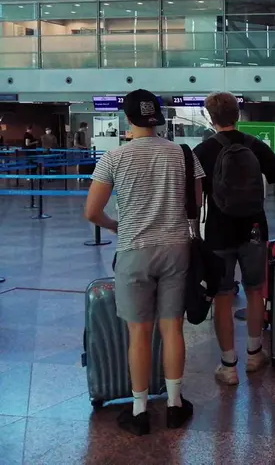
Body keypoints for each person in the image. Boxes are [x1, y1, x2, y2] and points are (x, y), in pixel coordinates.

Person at [84, 89, 202, 436]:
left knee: (139, 332)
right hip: (177, 247)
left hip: (134, 248)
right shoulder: (183, 154)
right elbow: (194, 204)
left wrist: (116, 224)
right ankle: (175, 404)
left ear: (128, 118)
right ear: (159, 119)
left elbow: (91, 211)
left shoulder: (113, 158)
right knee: (172, 328)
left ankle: (139, 410)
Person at [192, 92, 275, 387]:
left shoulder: (203, 151)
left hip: (219, 232)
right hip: (255, 229)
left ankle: (228, 365)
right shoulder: (254, 145)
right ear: (238, 114)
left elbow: (195, 199)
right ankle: (254, 353)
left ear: (210, 117)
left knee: (222, 296)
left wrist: (194, 231)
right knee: (255, 290)